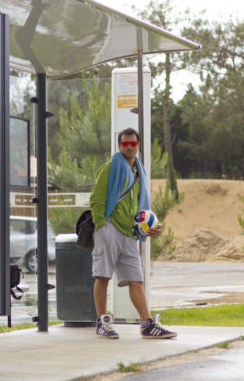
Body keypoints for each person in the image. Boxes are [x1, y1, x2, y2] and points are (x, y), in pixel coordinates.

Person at [90, 127, 177, 339]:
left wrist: (147, 228)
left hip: (130, 233)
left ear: (138, 146)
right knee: (103, 276)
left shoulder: (139, 172)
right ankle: (102, 321)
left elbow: (140, 208)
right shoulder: (111, 168)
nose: (129, 147)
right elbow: (96, 200)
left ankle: (146, 324)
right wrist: (101, 226)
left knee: (136, 279)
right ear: (119, 146)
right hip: (109, 228)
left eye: (133, 144)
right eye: (125, 144)